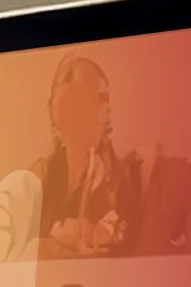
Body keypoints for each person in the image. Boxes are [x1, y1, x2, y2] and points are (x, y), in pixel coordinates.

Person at [35, 55, 141, 257]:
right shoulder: (41, 176)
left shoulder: (123, 176)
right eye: (100, 98)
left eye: (106, 99)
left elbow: (123, 241)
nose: (108, 109)